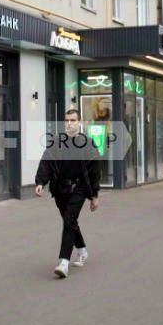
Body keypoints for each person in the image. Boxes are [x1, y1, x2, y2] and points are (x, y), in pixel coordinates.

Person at [35, 109, 101, 278]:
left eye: (72, 120)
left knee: (69, 219)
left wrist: (94, 196)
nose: (69, 123)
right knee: (69, 220)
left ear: (79, 122)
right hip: (60, 190)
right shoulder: (57, 142)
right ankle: (82, 250)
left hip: (79, 188)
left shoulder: (88, 144)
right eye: (66, 120)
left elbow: (95, 172)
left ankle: (63, 262)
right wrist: (40, 182)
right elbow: (46, 161)